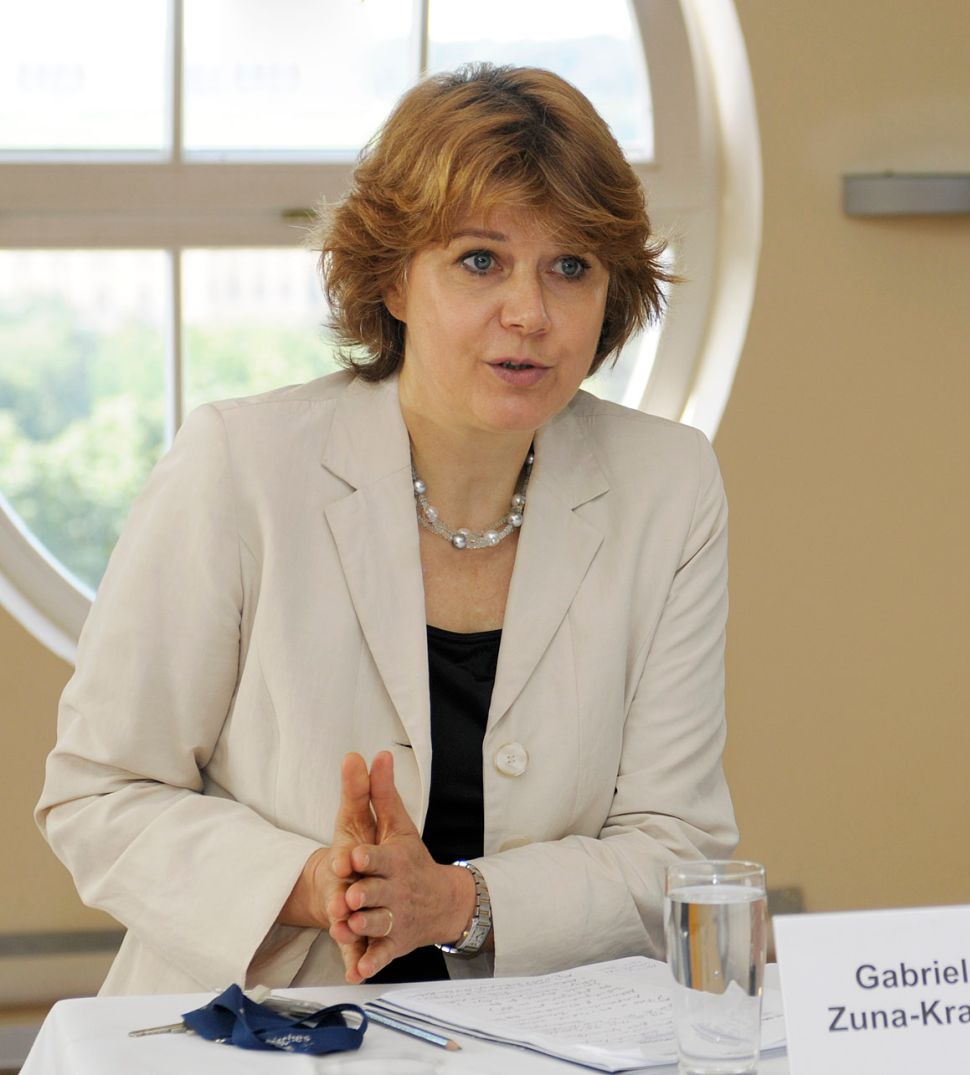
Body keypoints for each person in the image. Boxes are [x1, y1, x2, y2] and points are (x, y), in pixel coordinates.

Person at [36, 64, 737, 992]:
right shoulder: (239, 464)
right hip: (263, 1029)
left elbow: (677, 849)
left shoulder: (668, 484)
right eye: (479, 260)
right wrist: (311, 881)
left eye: (570, 266)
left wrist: (456, 903)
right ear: (394, 280)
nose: (529, 312)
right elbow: (100, 793)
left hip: (547, 1040)